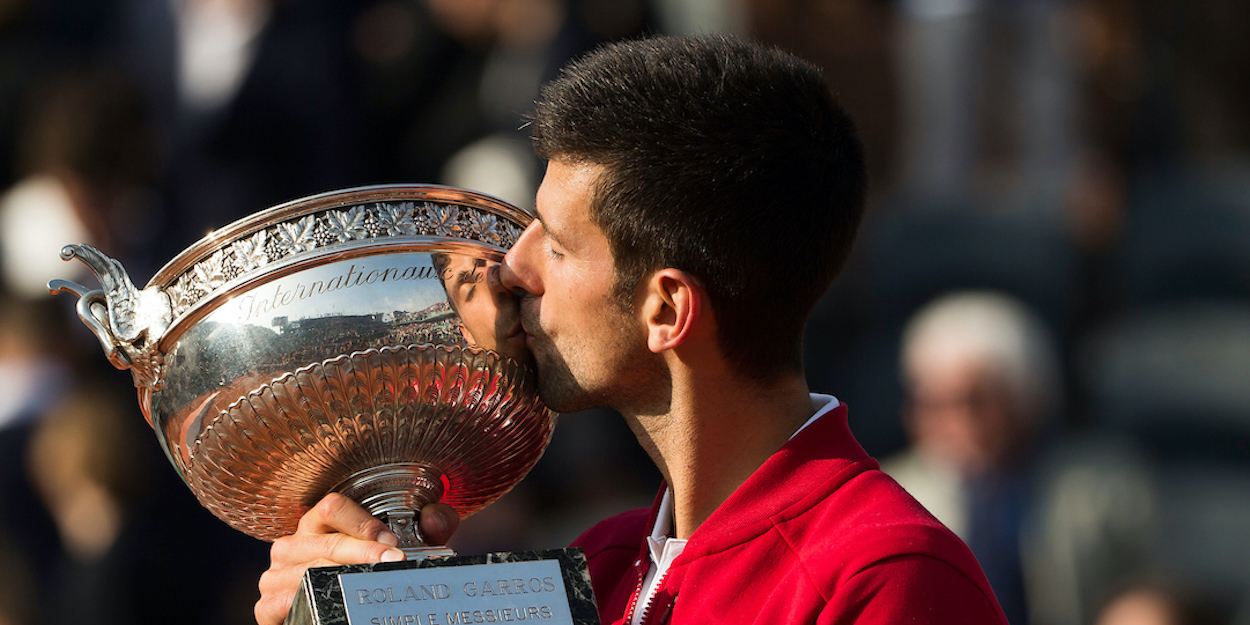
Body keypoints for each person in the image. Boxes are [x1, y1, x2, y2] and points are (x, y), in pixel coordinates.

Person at [255, 34, 1008, 625]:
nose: (510, 268)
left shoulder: (886, 579)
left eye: (553, 241)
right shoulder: (599, 565)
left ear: (666, 310)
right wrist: (377, 599)